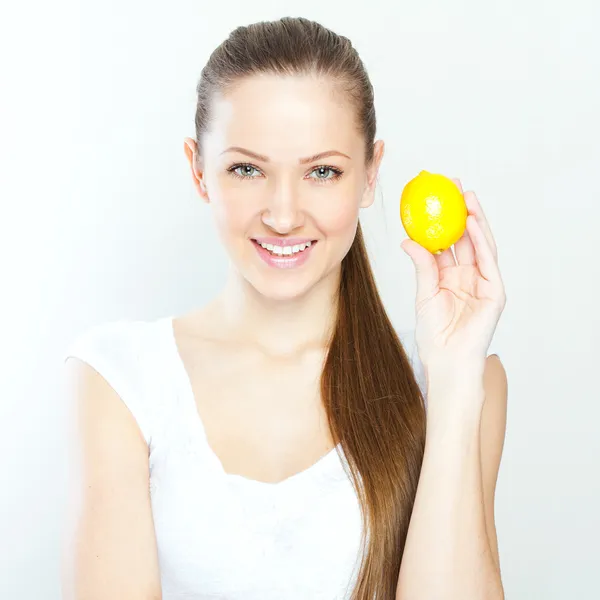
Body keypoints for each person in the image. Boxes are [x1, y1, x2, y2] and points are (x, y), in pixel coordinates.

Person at [61, 16, 508, 600]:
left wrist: (451, 379)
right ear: (199, 169)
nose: (283, 214)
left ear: (371, 173)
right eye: (247, 168)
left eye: (322, 171)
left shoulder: (461, 378)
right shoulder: (120, 377)